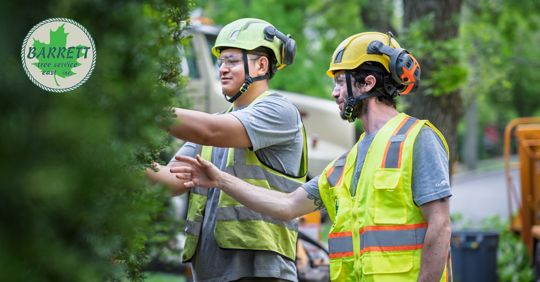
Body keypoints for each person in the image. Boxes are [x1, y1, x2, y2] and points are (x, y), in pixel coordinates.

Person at [173, 32, 454, 282]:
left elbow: (440, 225)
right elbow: (287, 205)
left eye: (340, 82)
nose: (334, 93)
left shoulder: (417, 138)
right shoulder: (348, 162)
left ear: (367, 83)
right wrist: (221, 180)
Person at [146, 18, 307, 282]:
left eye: (231, 60)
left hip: (260, 272)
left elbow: (212, 130)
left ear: (261, 64)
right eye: (220, 62)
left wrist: (142, 110)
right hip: (211, 272)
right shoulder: (217, 121)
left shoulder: (279, 111)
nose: (222, 69)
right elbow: (168, 183)